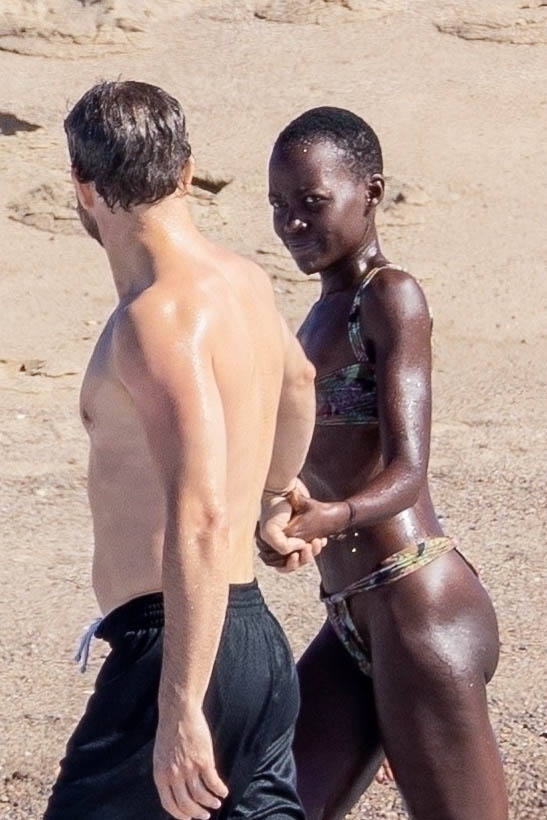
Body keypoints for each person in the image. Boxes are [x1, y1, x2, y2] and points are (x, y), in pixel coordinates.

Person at [45, 80, 322, 820]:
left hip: (175, 647)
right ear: (188, 170)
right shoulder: (244, 283)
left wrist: (178, 706)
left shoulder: (153, 321)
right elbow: (299, 383)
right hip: (256, 645)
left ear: (83, 188)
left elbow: (198, 514)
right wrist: (271, 496)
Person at [261, 106, 508, 820]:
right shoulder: (314, 315)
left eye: (311, 203)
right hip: (351, 616)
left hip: (418, 607)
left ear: (370, 191)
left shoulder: (389, 296)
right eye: (278, 206)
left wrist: (329, 515)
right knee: (270, 807)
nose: (291, 224)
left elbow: (406, 471)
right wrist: (287, 525)